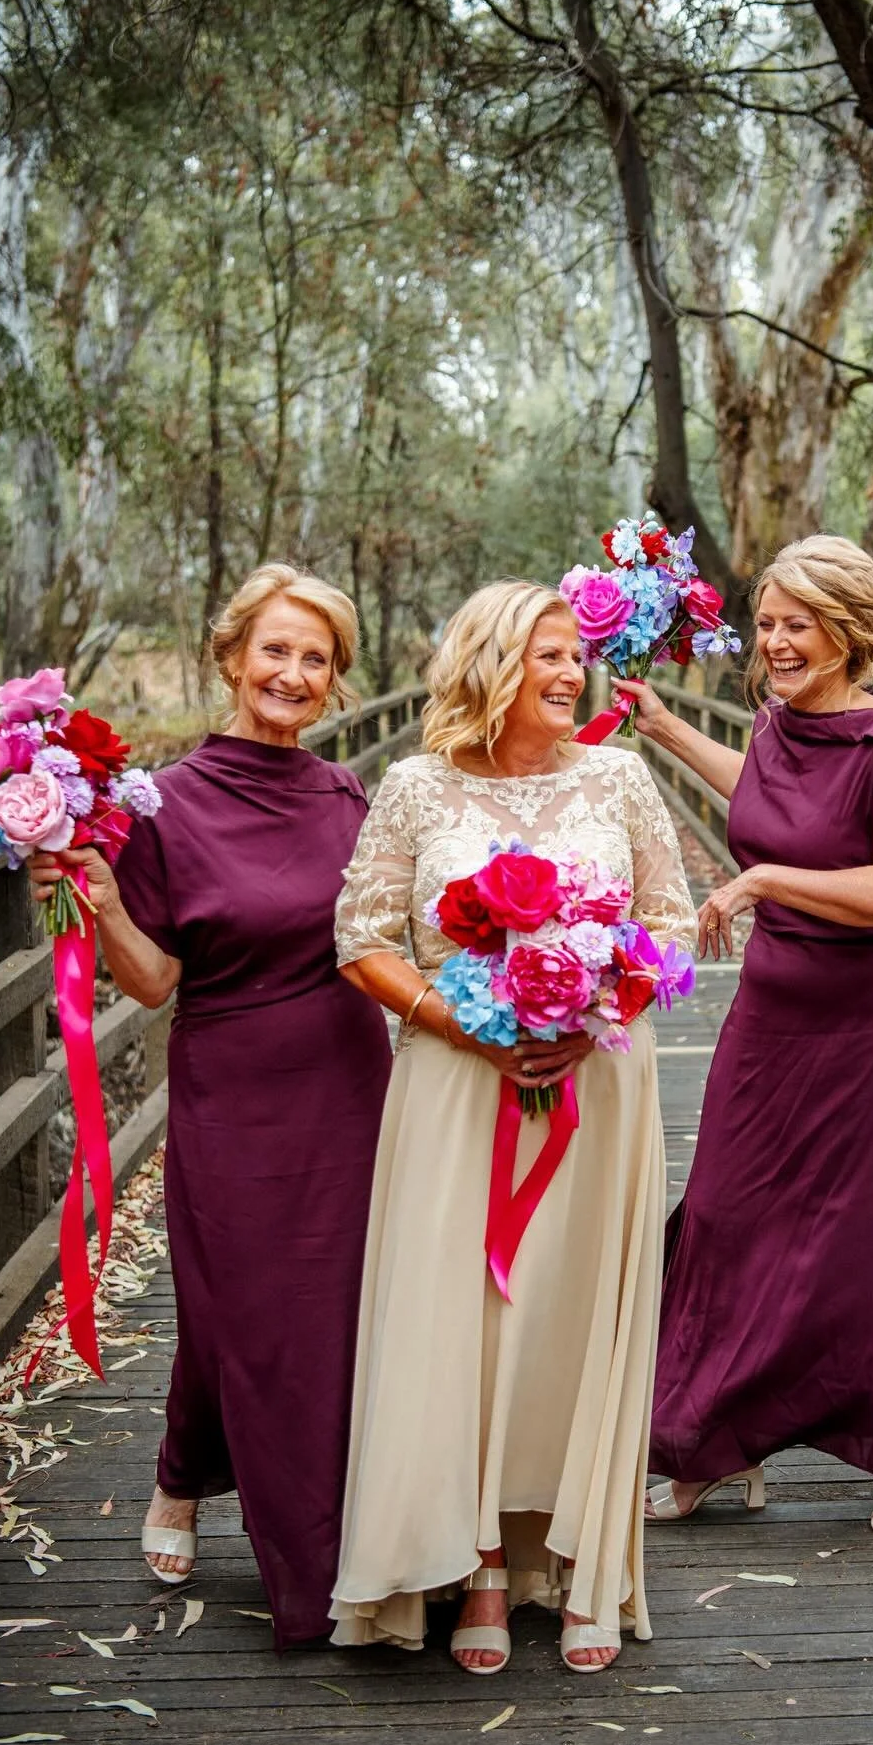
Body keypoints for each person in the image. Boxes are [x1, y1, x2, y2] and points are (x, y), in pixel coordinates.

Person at [329, 580, 694, 1675]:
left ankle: (586, 1564)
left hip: (597, 1083)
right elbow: (361, 938)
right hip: (455, 1086)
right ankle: (481, 1561)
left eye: (575, 654)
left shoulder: (619, 777)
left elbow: (671, 923)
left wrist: (593, 1008)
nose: (571, 671)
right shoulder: (414, 787)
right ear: (489, 664)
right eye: (547, 653)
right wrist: (465, 1022)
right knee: (471, 1322)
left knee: (575, 1319)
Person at [28, 565, 392, 1645]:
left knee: (329, 1311)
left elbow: (388, 936)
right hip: (231, 1088)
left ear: (335, 680)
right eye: (275, 649)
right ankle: (243, 1516)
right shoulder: (162, 805)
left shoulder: (348, 796)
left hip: (349, 1083)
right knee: (240, 1306)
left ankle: (287, 1526)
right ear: (231, 657)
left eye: (316, 658)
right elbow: (150, 982)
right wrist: (97, 900)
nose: (294, 673)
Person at [620, 535, 873, 1534]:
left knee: (861, 1236)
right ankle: (714, 1436)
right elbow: (769, 790)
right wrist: (666, 727)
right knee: (724, 1214)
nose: (774, 642)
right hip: (774, 1008)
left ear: (847, 632)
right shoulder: (781, 724)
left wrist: (764, 881)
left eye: (797, 624)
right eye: (766, 623)